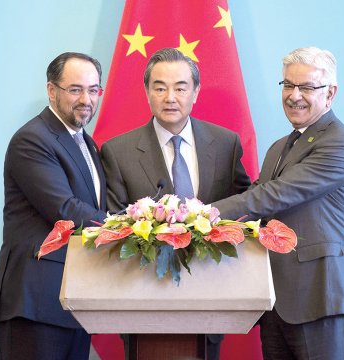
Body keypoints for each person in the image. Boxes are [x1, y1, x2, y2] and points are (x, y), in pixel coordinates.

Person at [212, 47, 344, 359]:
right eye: (288, 85)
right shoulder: (281, 146)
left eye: (307, 87)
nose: (295, 95)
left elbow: (275, 195)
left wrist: (207, 214)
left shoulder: (340, 142)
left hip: (321, 297)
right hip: (277, 302)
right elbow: (258, 195)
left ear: (330, 93)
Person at [99, 47, 250, 360]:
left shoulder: (225, 144)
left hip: (210, 299)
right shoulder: (118, 151)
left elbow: (245, 210)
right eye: (160, 87)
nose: (170, 97)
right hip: (143, 304)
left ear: (195, 92)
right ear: (147, 92)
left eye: (181, 87)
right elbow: (111, 223)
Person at [0, 52, 107, 360]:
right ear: (51, 91)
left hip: (73, 303)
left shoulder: (87, 144)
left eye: (93, 90)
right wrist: (125, 226)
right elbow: (65, 210)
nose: (86, 99)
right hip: (36, 304)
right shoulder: (33, 139)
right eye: (75, 89)